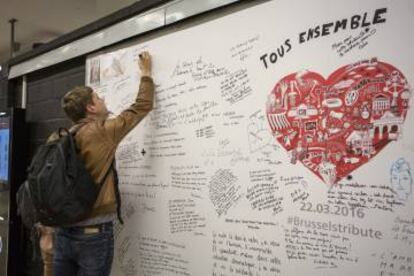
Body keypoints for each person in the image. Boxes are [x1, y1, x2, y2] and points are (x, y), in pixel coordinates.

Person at [48, 51, 154, 276]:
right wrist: (145, 73)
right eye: (98, 97)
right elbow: (141, 106)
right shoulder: (102, 131)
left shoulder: (57, 137)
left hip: (63, 233)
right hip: (93, 236)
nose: (104, 99)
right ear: (91, 108)